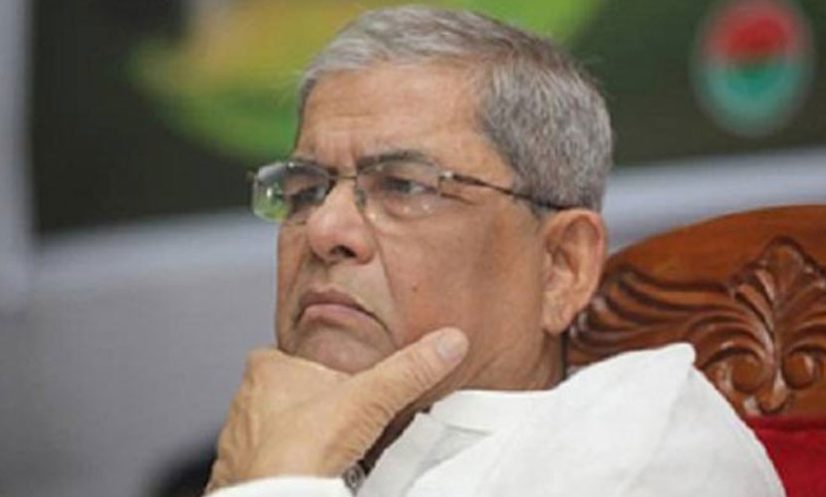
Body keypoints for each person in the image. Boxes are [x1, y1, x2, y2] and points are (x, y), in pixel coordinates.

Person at [204, 6, 784, 497]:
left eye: (403, 185)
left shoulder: (644, 445)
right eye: (306, 189)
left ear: (561, 267)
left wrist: (275, 481)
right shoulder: (275, 447)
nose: (324, 228)